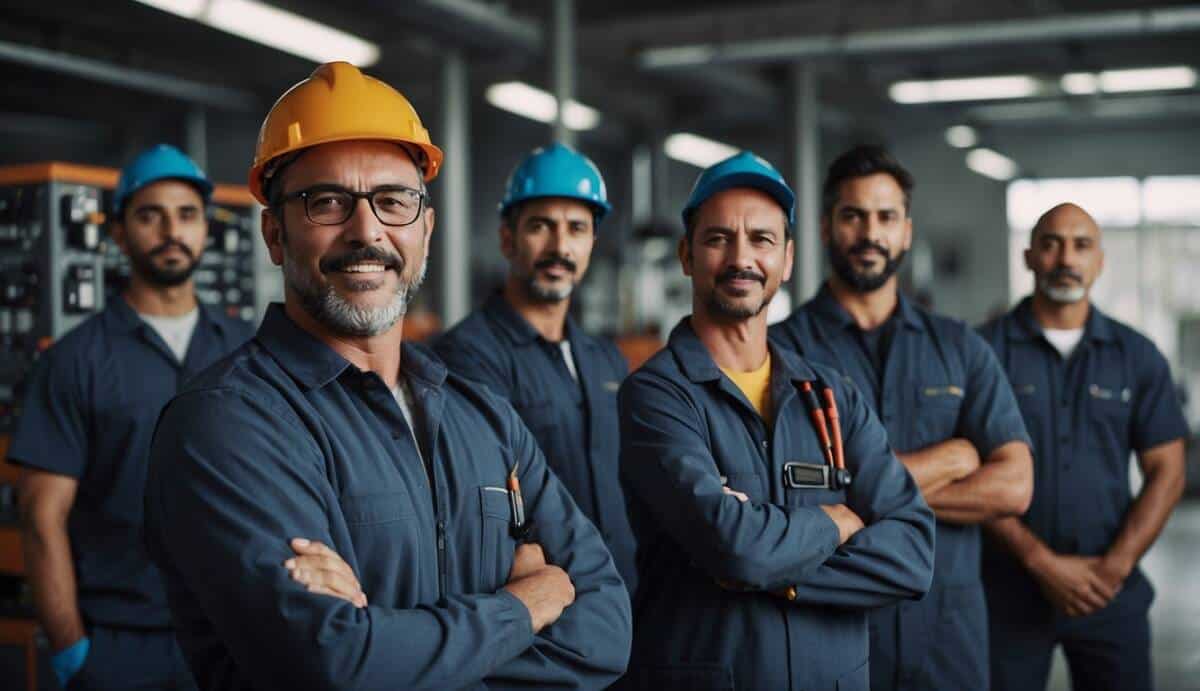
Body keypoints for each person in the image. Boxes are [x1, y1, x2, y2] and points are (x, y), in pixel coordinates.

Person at [142, 61, 631, 690]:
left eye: (394, 201)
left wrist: (396, 647)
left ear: (425, 229)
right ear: (274, 232)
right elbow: (334, 667)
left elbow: (608, 628)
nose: (367, 230)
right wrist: (529, 602)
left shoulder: (480, 414)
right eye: (327, 202)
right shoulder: (225, 425)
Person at [618, 151, 934, 690]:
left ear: (787, 261)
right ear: (686, 256)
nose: (742, 258)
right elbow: (733, 547)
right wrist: (835, 523)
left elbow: (912, 554)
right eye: (719, 238)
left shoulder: (833, 396)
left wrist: (775, 568)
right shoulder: (656, 396)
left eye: (762, 240)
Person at [770, 145, 1033, 691]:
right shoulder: (780, 351)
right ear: (824, 228)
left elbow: (1013, 487)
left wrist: (856, 494)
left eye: (885, 217)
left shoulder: (959, 347)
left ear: (907, 231)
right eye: (853, 215)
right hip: (828, 632)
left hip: (947, 637)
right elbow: (785, 499)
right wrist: (952, 459)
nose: (870, 232)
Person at [10, 144, 253, 690]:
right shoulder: (74, 360)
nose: (171, 229)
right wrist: (73, 648)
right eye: (150, 214)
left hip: (235, 632)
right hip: (121, 641)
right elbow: (40, 517)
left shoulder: (248, 350)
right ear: (119, 233)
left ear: (205, 232)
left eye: (186, 214)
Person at [978, 202, 1187, 691]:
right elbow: (967, 475)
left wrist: (1115, 568)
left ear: (1100, 260)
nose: (1066, 258)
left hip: (1109, 591)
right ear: (1029, 257)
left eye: (1081, 245)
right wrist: (1039, 561)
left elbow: (1168, 471)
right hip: (1007, 592)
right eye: (1050, 244)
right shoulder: (982, 351)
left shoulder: (1136, 356)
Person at [435, 143, 635, 593]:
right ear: (508, 238)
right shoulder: (468, 356)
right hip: (543, 605)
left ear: (592, 243)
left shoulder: (607, 359)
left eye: (576, 229)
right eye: (541, 227)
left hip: (624, 596)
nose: (559, 247)